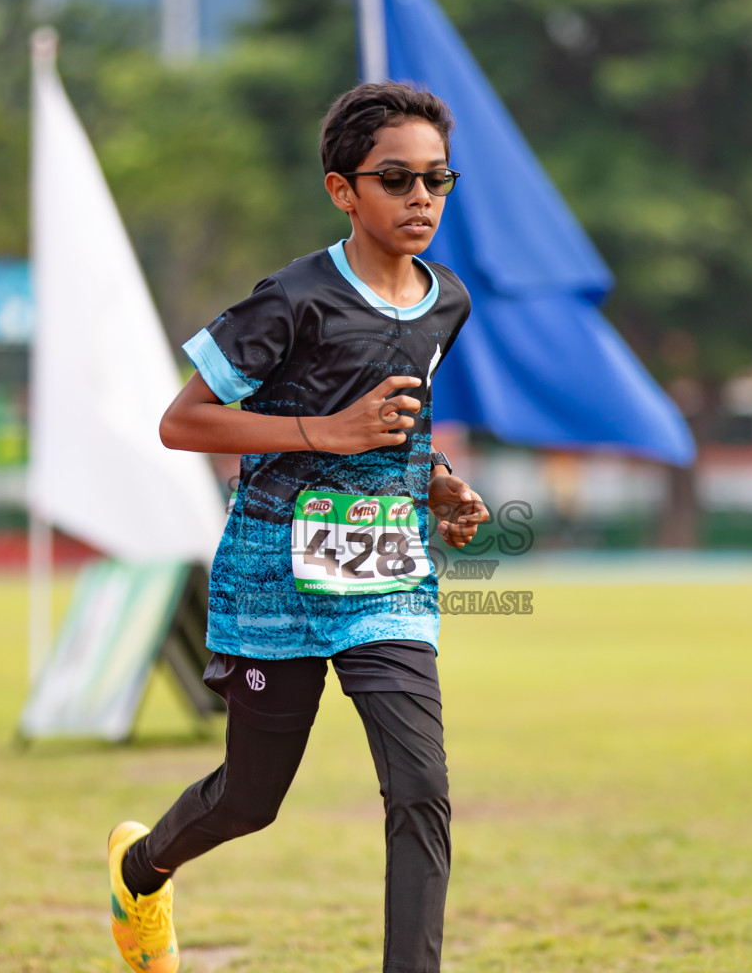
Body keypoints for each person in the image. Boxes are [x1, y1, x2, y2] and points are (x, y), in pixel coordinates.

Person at [107, 81, 489, 973]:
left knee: (421, 785)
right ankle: (140, 870)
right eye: (396, 179)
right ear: (341, 190)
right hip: (272, 579)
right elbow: (183, 421)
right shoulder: (295, 298)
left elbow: (398, 427)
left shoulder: (447, 303)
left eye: (437, 179)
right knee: (250, 798)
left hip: (383, 582)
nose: (421, 199)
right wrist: (326, 432)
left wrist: (434, 484)